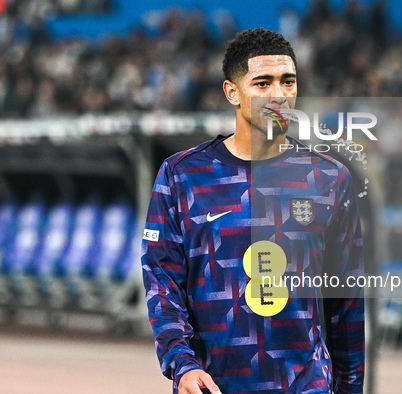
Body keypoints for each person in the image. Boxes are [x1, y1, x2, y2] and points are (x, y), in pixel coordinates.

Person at [141, 28, 365, 394]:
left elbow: (348, 303)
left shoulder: (329, 179)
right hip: (214, 385)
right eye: (262, 83)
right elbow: (162, 281)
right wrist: (181, 364)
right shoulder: (182, 176)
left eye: (288, 81)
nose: (278, 95)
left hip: (306, 385)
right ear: (233, 92)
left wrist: (352, 388)